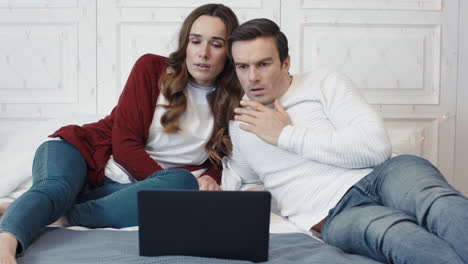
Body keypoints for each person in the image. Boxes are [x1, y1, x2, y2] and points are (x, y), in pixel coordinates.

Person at [0, 4, 242, 263]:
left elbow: (218, 156)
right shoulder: (152, 68)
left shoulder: (232, 98)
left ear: (229, 53)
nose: (203, 53)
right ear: (186, 44)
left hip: (119, 188)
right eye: (196, 41)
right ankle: (5, 247)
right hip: (81, 152)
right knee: (56, 187)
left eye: (216, 45)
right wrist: (159, 192)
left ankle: (53, 212)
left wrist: (210, 178)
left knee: (183, 184)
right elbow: (125, 146)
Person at [222, 18, 468, 264]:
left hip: (384, 175)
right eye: (243, 67)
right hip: (335, 215)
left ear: (285, 63)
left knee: (439, 203)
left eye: (263, 64)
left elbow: (375, 147)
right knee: (395, 234)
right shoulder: (240, 126)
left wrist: (286, 135)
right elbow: (249, 184)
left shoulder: (323, 82)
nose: (252, 77)